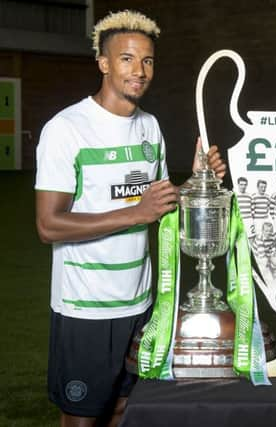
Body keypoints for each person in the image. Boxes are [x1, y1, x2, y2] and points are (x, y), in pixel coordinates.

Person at [34, 10, 226, 427]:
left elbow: (156, 204)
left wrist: (197, 181)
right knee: (82, 417)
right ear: (103, 63)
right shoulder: (67, 129)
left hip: (140, 302)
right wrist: (135, 212)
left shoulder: (149, 128)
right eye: (126, 59)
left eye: (148, 61)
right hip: (86, 308)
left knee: (125, 408)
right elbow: (49, 225)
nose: (139, 71)